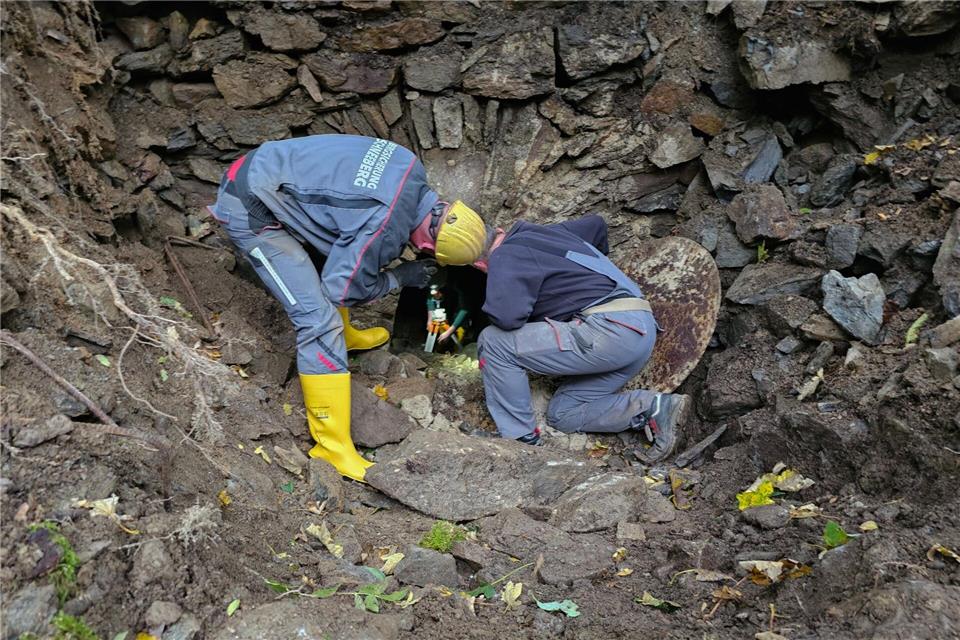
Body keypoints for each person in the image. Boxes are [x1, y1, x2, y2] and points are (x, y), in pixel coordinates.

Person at [209, 135, 488, 482]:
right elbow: (341, 290)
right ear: (430, 245)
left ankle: (349, 337)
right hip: (251, 206)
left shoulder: (410, 165)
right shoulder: (383, 226)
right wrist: (402, 276)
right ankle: (331, 446)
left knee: (343, 247)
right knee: (318, 321)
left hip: (271, 166)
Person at [470, 214, 691, 463]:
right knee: (563, 414)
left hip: (608, 330)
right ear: (498, 229)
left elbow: (507, 319)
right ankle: (654, 407)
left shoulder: (504, 255)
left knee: (493, 342)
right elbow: (596, 224)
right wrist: (583, 281)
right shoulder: (545, 233)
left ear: (479, 266)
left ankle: (520, 441)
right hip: (639, 331)